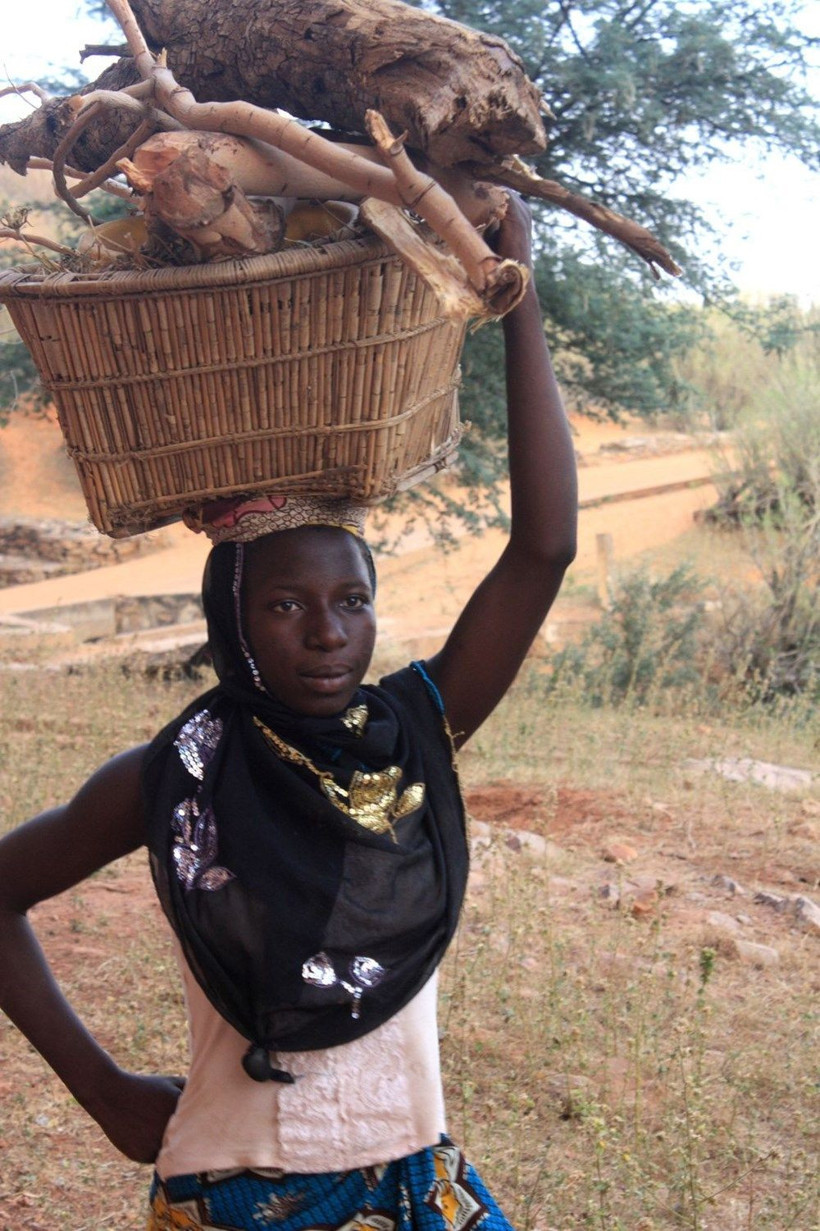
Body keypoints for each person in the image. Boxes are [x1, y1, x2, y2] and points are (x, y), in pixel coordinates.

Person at [0, 195, 577, 1231]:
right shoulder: (176, 772)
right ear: (231, 618)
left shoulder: (412, 731)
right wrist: (101, 1088)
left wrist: (515, 298)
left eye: (352, 602)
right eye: (284, 605)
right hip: (241, 1187)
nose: (327, 635)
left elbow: (544, 549)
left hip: (415, 1176)